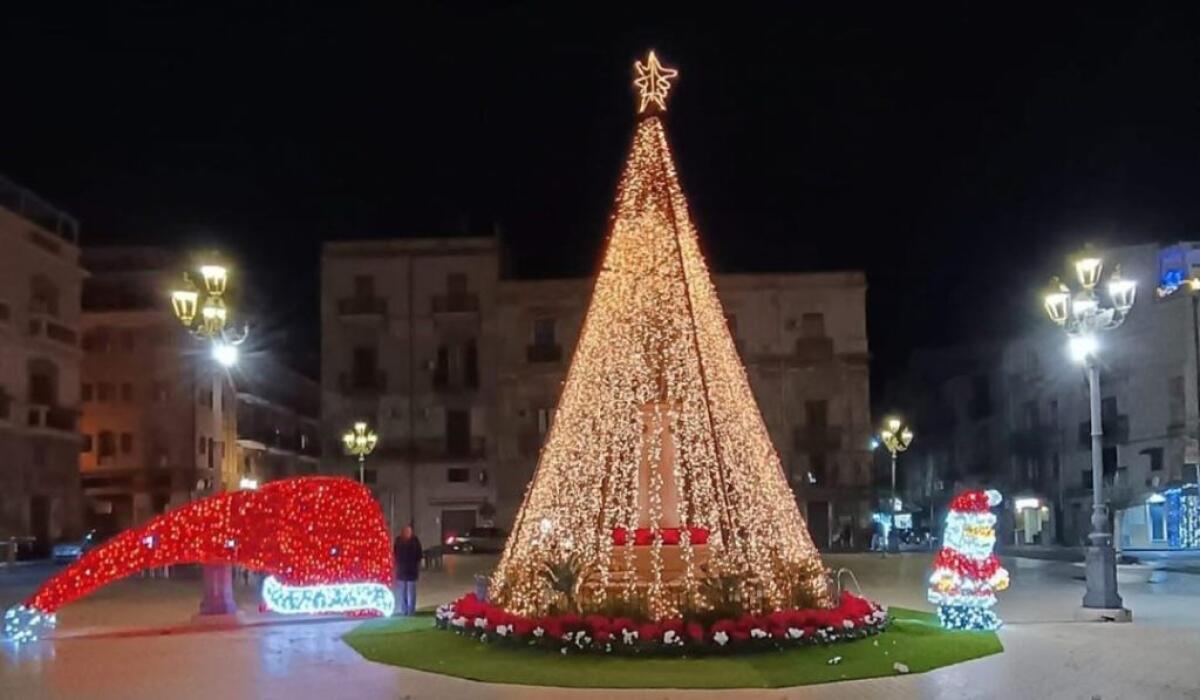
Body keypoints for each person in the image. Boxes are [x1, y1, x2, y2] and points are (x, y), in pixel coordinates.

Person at [393, 525, 423, 616]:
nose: (408, 533)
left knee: (411, 592)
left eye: (409, 531)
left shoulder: (415, 541)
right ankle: (404, 610)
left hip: (412, 570)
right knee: (402, 592)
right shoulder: (398, 541)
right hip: (401, 570)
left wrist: (416, 564)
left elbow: (419, 553)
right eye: (406, 531)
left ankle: (411, 611)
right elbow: (395, 553)